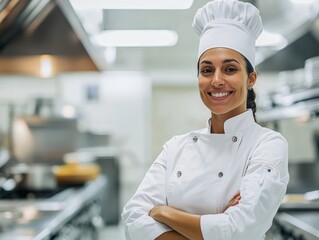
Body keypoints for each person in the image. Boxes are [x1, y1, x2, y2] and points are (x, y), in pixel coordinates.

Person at [121, 0, 289, 239]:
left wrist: (164, 213)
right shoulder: (175, 148)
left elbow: (240, 228)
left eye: (230, 69)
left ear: (251, 78)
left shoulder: (268, 144)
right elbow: (132, 219)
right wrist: (213, 227)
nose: (216, 80)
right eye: (207, 70)